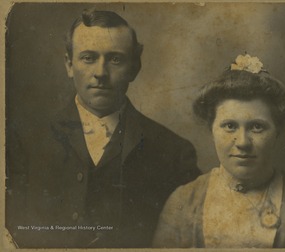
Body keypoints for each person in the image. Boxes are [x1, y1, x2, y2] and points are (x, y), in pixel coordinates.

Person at [5, 9, 200, 248]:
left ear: (134, 67)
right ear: (69, 64)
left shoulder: (173, 152)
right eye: (88, 58)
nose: (100, 73)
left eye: (115, 59)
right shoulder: (24, 143)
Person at [152, 54, 285, 248]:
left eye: (257, 127)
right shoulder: (182, 203)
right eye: (229, 126)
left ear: (277, 131)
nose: (242, 142)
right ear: (211, 130)